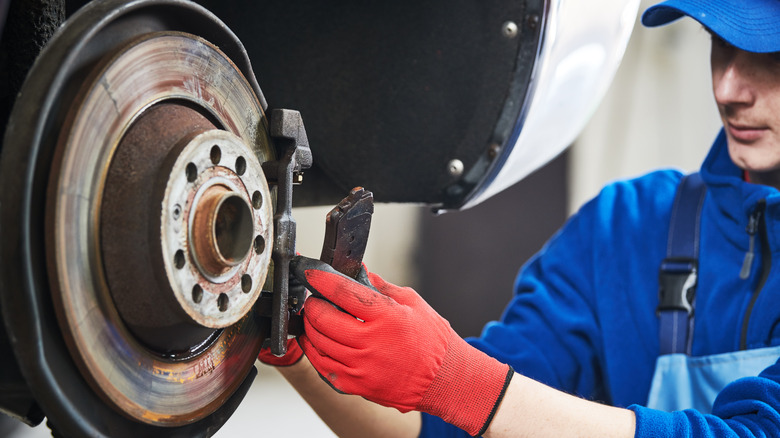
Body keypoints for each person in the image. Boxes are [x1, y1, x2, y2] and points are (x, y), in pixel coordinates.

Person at [258, 0, 780, 436]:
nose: (728, 89)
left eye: (766, 53)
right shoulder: (626, 228)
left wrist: (458, 380)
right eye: (720, 43)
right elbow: (451, 426)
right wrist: (292, 333)